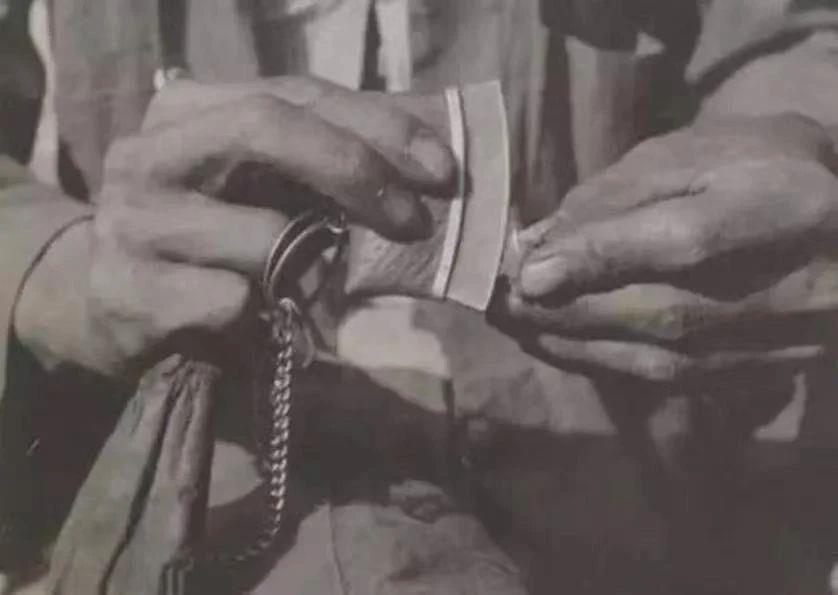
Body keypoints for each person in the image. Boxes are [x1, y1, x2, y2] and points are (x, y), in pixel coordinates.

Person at [2, 0, 838, 593]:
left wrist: (793, 134)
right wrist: (69, 272)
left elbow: (789, 32)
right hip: (207, 498)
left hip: (623, 488)